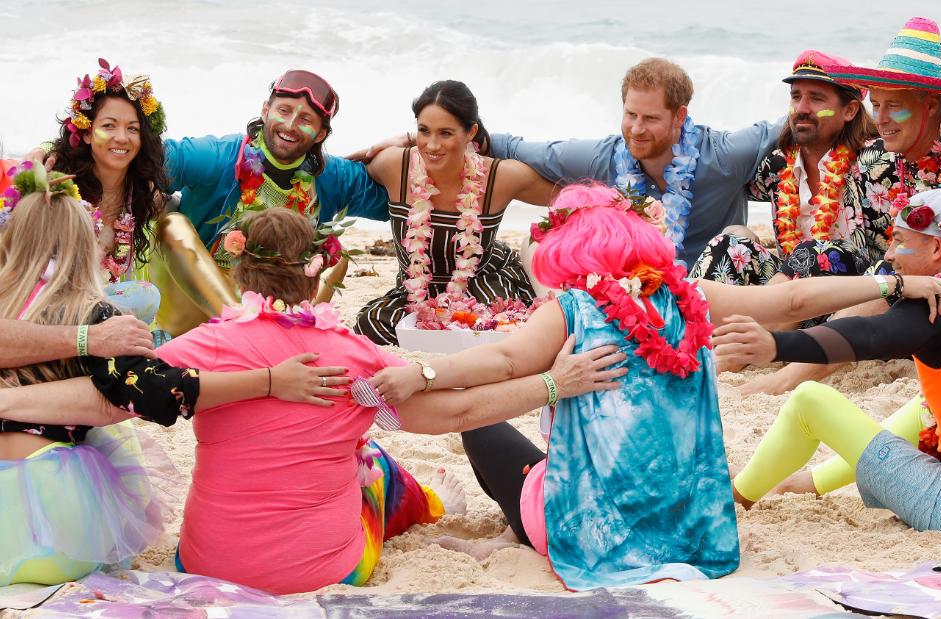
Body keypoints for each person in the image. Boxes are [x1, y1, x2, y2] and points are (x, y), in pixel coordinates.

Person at [362, 182, 941, 589]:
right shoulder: (695, 300)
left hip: (588, 529)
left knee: (486, 427)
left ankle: (517, 537)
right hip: (692, 530)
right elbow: (794, 299)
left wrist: (423, 371)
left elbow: (500, 361)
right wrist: (892, 284)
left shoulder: (571, 308)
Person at [5, 205, 622, 595]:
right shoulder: (352, 358)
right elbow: (455, 413)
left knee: (359, 444)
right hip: (327, 572)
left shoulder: (204, 347)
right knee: (371, 460)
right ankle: (427, 508)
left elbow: (110, 401)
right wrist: (551, 385)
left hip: (204, 562)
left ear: (241, 272)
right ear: (317, 272)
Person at [0, 177, 349, 587]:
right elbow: (158, 392)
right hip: (46, 519)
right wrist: (270, 381)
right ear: (82, 246)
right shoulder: (93, 313)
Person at [715, 188, 941, 544]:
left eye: (899, 240)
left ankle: (740, 494)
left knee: (810, 401)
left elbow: (867, 335)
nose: (889, 254)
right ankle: (812, 482)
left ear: (937, 248)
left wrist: (775, 345)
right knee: (926, 408)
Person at [742, 16, 941, 394]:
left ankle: (782, 378)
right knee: (750, 244)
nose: (879, 119)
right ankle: (718, 345)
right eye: (876, 105)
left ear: (930, 105)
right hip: (890, 290)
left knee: (875, 268)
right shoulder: (876, 160)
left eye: (893, 106)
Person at [355, 58, 780, 267]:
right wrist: (417, 136)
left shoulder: (724, 154)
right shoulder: (605, 156)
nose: (636, 129)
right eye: (630, 114)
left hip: (713, 291)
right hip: (634, 287)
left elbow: (794, 122)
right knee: (542, 239)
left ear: (680, 117)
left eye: (650, 118)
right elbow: (508, 145)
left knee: (739, 235)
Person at [156, 69, 392, 335]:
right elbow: (141, 161)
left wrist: (405, 141)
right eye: (284, 110)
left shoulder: (334, 177)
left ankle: (295, 328)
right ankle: (247, 328)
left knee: (337, 254)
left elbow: (396, 201)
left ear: (320, 134)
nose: (290, 125)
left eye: (305, 119)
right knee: (171, 224)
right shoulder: (217, 156)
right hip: (195, 307)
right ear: (266, 110)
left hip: (278, 314)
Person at [355, 81, 557, 344]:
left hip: (483, 283)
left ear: (471, 132)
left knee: (491, 327)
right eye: (423, 131)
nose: (432, 145)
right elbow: (334, 177)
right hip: (416, 291)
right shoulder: (396, 165)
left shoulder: (498, 176)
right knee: (369, 325)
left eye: (446, 133)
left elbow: (571, 197)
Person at [691, 50, 890, 292]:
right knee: (729, 244)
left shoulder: (879, 161)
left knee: (818, 250)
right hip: (789, 295)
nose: (801, 108)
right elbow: (723, 179)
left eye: (816, 98)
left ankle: (765, 316)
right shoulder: (777, 165)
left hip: (858, 298)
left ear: (849, 110)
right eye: (796, 97)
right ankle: (688, 320)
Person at [26, 59, 169, 328]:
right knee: (145, 296)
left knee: (145, 296)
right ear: (87, 133)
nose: (122, 137)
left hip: (101, 313)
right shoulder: (58, 182)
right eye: (109, 126)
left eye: (133, 128)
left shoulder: (140, 193)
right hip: (46, 309)